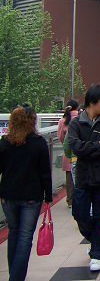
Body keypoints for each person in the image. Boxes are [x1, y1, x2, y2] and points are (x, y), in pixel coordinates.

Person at [68, 85, 100, 272]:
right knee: (79, 213)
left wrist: (87, 149)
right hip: (83, 176)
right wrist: (98, 144)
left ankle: (97, 254)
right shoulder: (76, 123)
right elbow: (75, 147)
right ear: (92, 102)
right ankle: (97, 241)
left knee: (99, 215)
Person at [0, 105, 53, 281]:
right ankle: (16, 277)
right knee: (24, 237)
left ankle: (14, 274)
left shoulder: (5, 142)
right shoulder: (38, 143)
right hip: (31, 195)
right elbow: (45, 172)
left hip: (8, 195)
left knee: (13, 233)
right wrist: (48, 196)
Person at [57, 99, 79, 208]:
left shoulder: (63, 120)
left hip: (69, 153)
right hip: (79, 152)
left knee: (69, 178)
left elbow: (61, 137)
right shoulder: (80, 118)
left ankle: (70, 200)